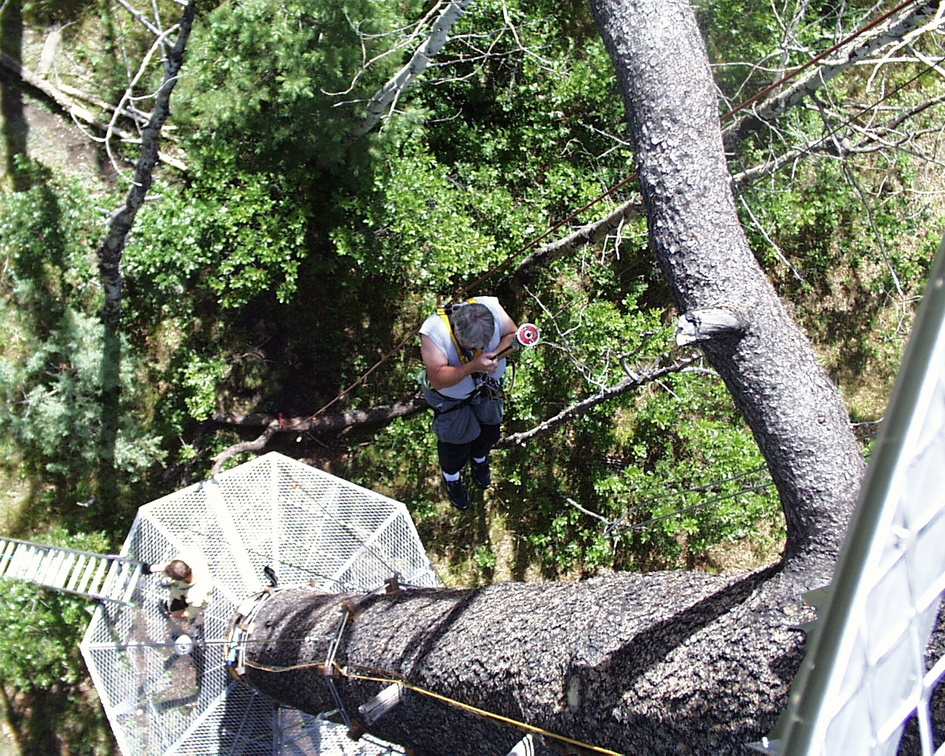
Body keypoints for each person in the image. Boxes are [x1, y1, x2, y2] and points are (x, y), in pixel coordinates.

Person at [419, 297, 519, 510]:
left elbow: (513, 335)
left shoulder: (489, 308)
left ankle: (479, 460)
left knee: (490, 431)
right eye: (474, 347)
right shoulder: (434, 333)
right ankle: (452, 477)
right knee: (457, 443)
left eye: (484, 344)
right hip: (451, 399)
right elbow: (437, 378)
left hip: (486, 390)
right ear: (457, 332)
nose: (480, 349)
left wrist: (496, 353)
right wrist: (474, 366)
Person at [148, 548, 213, 620]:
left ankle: (191, 622)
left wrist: (174, 614)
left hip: (186, 600)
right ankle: (171, 588)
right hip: (181, 588)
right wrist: (150, 568)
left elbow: (191, 612)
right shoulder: (190, 557)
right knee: (163, 583)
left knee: (175, 610)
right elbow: (171, 566)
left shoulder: (197, 594)